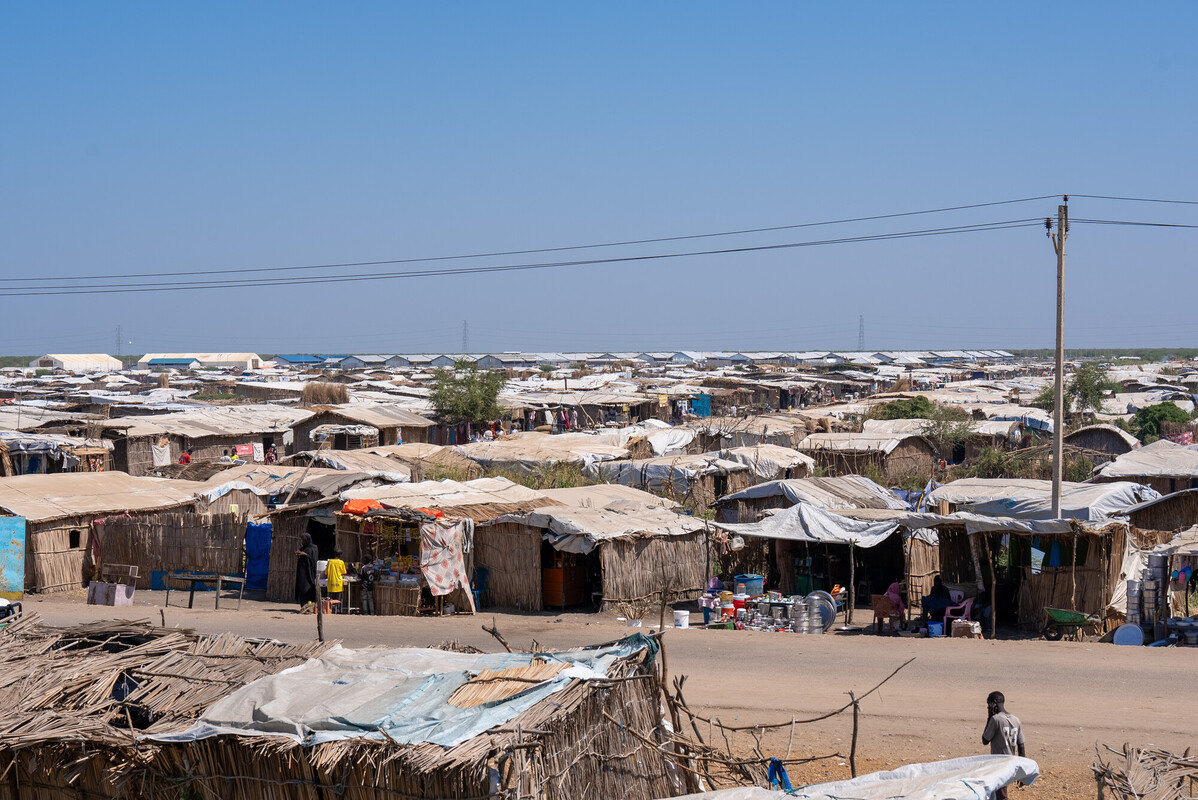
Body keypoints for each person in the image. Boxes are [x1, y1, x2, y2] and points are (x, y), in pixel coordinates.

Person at [982, 691, 1025, 800]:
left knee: (1001, 794)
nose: (988, 707)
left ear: (994, 703)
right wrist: (1022, 771)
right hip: (1011, 762)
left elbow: (985, 740)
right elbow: (1021, 746)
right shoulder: (1016, 720)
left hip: (998, 763)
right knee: (999, 792)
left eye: (989, 705)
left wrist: (989, 716)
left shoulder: (995, 719)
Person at [294, 533, 319, 610]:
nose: (303, 541)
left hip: (309, 572)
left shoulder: (313, 547)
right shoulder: (303, 548)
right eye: (302, 540)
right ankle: (303, 606)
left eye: (304, 540)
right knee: (301, 587)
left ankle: (310, 606)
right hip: (302, 571)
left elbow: (314, 559)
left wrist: (305, 554)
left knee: (308, 588)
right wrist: (299, 554)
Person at [325, 549, 347, 613]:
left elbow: (326, 572)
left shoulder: (330, 562)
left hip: (331, 583)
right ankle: (339, 610)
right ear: (340, 555)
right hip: (339, 583)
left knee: (330, 599)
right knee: (338, 599)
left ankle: (330, 610)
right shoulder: (341, 562)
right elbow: (344, 572)